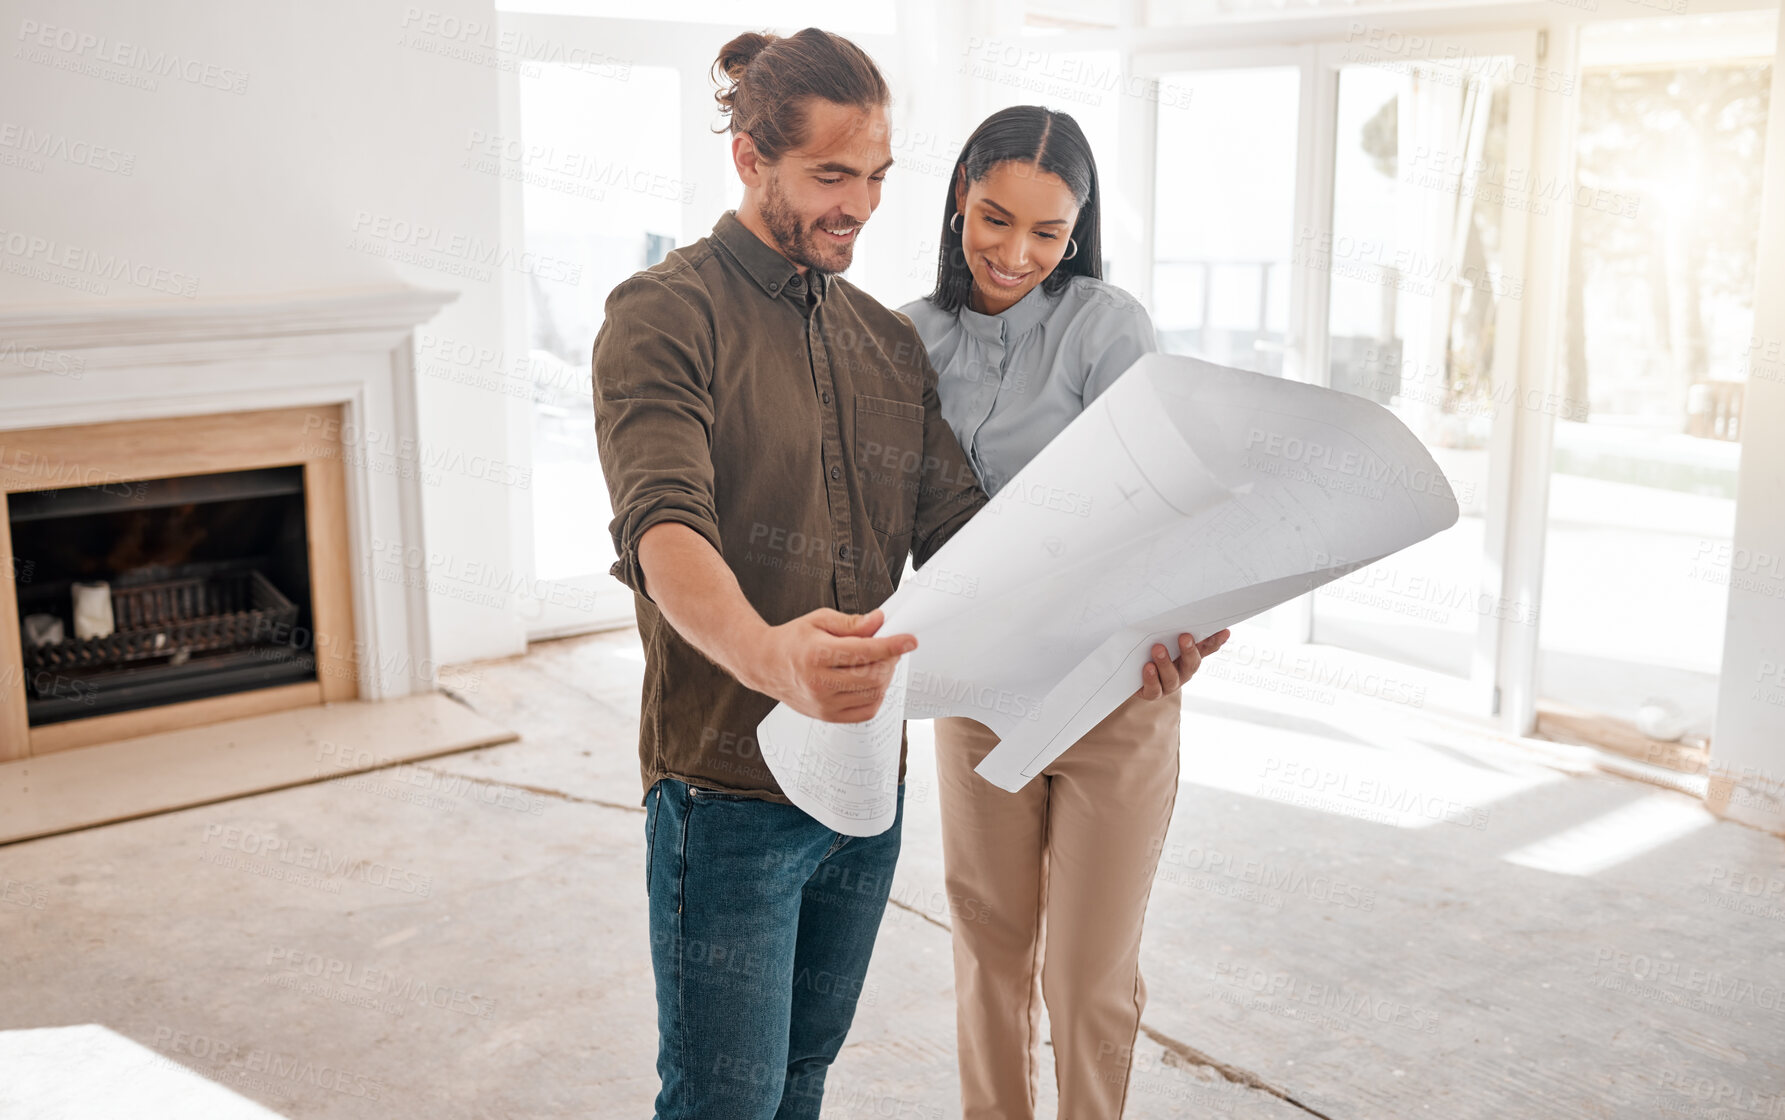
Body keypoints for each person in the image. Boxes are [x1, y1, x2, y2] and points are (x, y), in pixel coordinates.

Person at [589, 28, 990, 1120]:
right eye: (829, 174)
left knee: (803, 1079)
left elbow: (967, 534)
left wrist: (1137, 617)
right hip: (727, 792)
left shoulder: (885, 342)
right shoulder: (663, 314)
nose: (858, 203)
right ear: (750, 161)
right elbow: (662, 528)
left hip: (865, 783)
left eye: (874, 176)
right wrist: (772, 657)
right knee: (725, 1101)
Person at [899, 105, 1231, 1119]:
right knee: (989, 956)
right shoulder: (908, 337)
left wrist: (1188, 623)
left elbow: (1157, 509)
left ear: (1078, 230)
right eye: (995, 219)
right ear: (959, 191)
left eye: (1049, 232)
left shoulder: (1106, 325)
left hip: (1112, 691)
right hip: (978, 689)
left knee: (1086, 978)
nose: (1016, 254)